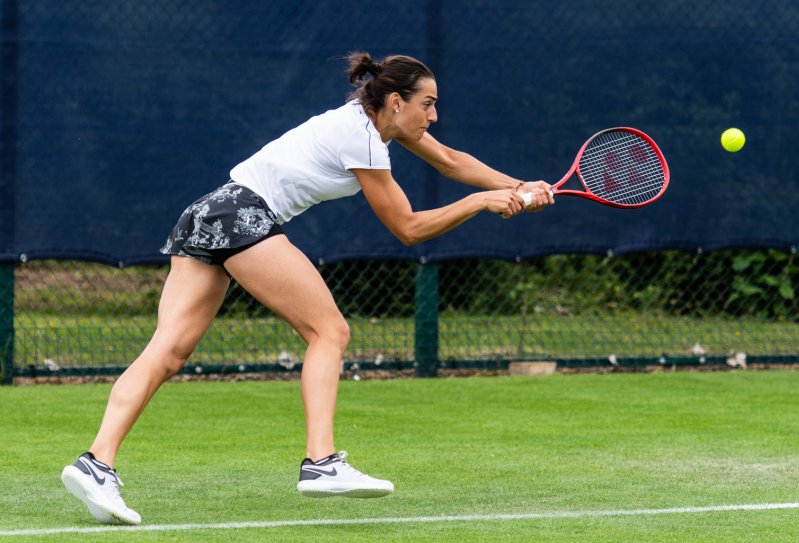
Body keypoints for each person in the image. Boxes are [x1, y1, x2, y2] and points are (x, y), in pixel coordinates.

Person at [60, 52, 555, 525]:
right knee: (329, 331)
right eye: (427, 103)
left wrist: (518, 187)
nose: (435, 115)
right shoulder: (360, 136)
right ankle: (321, 462)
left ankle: (95, 464)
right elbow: (408, 227)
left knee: (167, 352)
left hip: (208, 211)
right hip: (245, 215)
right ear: (397, 102)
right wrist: (480, 203)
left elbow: (449, 161)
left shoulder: (371, 122)